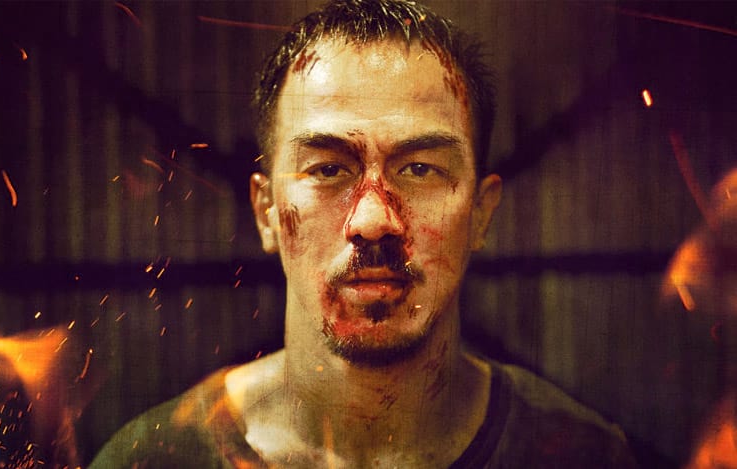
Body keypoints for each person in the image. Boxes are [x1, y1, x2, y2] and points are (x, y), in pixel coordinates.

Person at [90, 1, 637, 467]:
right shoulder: (154, 458)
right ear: (267, 211)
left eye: (420, 169)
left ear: (480, 213)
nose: (373, 220)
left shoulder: (581, 456)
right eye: (328, 169)